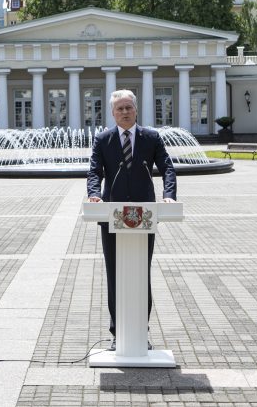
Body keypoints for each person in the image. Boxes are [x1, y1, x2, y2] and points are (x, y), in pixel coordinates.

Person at [86, 89, 177, 351]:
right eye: (119, 109)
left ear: (136, 110)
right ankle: (117, 332)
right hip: (111, 216)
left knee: (140, 273)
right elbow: (94, 171)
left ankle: (140, 330)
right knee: (115, 275)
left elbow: (167, 167)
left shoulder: (151, 137)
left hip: (143, 216)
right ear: (112, 113)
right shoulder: (103, 140)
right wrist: (94, 194)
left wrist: (168, 195)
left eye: (128, 108)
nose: (124, 112)